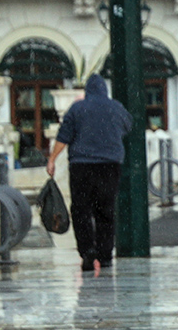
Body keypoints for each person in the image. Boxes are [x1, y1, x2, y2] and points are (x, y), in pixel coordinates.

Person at [46, 75, 133, 275]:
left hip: (81, 166)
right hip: (109, 166)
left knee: (81, 210)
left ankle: (87, 251)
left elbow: (63, 136)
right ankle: (105, 256)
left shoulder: (77, 108)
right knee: (106, 211)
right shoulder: (116, 107)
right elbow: (128, 126)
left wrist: (52, 159)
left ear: (87, 91)